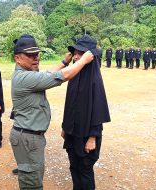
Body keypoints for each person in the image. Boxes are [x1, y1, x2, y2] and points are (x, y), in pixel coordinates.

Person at [9, 34, 94, 190]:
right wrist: (84, 59)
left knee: (34, 176)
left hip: (29, 137)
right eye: (30, 55)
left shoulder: (27, 74)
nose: (35, 58)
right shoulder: (24, 78)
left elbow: (47, 73)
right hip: (28, 138)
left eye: (37, 54)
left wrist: (64, 62)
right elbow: (62, 76)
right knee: (32, 184)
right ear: (17, 58)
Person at [62, 35, 111, 190]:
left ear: (90, 56)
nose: (76, 56)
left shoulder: (94, 78)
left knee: (85, 168)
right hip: (72, 130)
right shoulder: (74, 75)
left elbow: (99, 109)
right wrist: (65, 127)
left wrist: (92, 137)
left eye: (80, 53)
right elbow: (69, 104)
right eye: (75, 52)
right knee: (73, 165)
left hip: (87, 133)